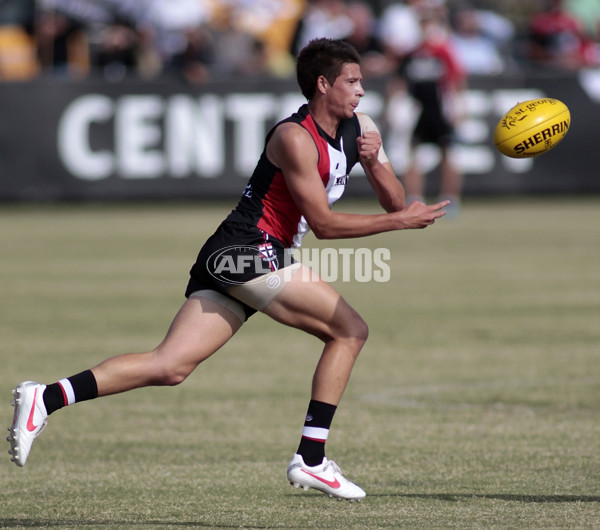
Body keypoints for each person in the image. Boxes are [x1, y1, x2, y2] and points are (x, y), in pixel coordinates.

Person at [7, 38, 448, 502]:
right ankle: (311, 459)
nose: (362, 91)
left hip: (244, 254)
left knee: (170, 366)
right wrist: (399, 221)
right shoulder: (293, 137)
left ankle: (47, 397)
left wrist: (375, 158)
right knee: (349, 331)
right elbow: (325, 225)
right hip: (246, 250)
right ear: (323, 84)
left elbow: (395, 201)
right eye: (352, 81)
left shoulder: (361, 127)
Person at [394, 11, 466, 214]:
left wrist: (459, 107)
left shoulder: (443, 52)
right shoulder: (410, 55)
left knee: (449, 154)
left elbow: (456, 81)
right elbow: (399, 82)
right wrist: (396, 106)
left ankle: (451, 200)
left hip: (440, 110)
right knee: (411, 155)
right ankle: (414, 199)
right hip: (417, 111)